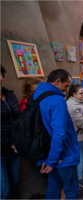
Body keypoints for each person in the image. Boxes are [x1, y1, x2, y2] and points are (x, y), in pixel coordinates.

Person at [33, 69, 80, 199]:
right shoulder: (57, 100)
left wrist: (48, 160)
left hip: (47, 152)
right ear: (57, 81)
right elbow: (59, 134)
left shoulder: (37, 96)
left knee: (53, 185)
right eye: (66, 86)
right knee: (71, 190)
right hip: (61, 155)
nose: (66, 89)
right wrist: (52, 160)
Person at [1, 65, 21, 199]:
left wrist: (18, 141)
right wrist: (10, 143)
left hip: (14, 148)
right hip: (2, 149)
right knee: (4, 189)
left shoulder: (9, 95)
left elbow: (18, 119)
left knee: (14, 183)